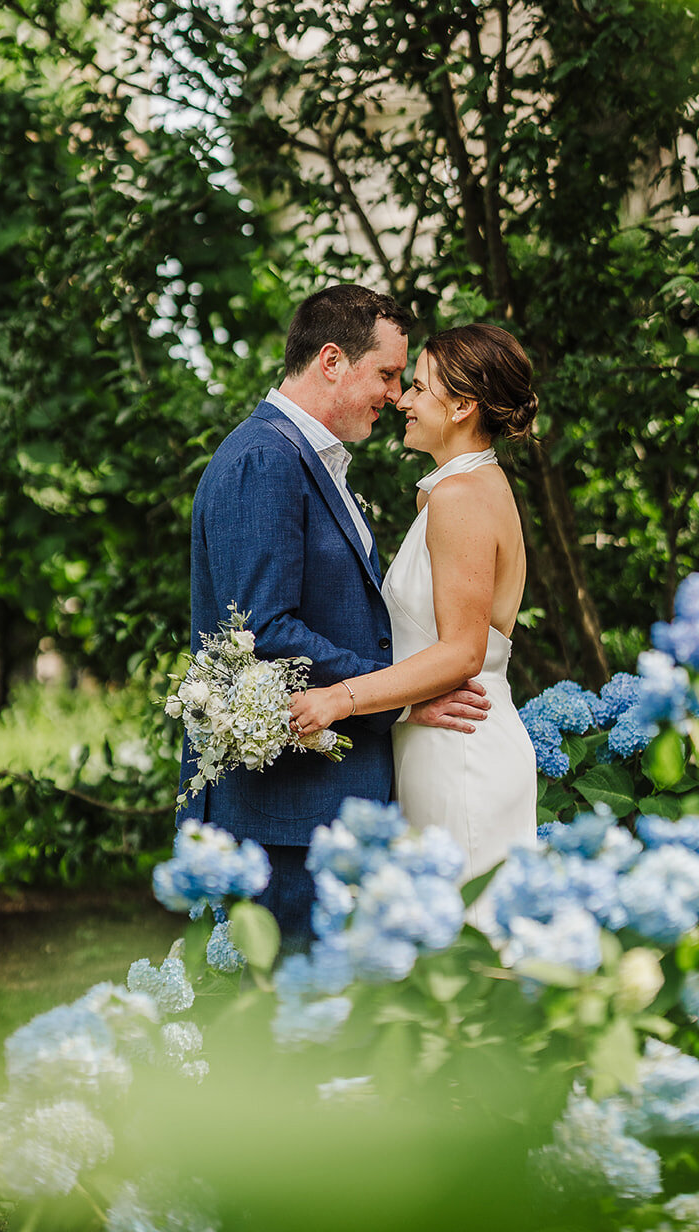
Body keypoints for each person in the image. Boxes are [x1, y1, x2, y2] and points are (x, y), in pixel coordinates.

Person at [181, 285, 491, 945]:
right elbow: (260, 631)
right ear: (330, 361)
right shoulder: (265, 460)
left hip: (316, 808)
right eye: (384, 374)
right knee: (285, 1028)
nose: (394, 393)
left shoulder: (303, 460)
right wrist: (399, 695)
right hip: (283, 816)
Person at [290, 321, 539, 897]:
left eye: (421, 387)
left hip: (462, 750)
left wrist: (339, 697)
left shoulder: (461, 498)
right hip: (439, 739)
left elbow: (462, 652)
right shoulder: (459, 489)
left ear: (462, 408)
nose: (402, 398)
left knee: (463, 943)